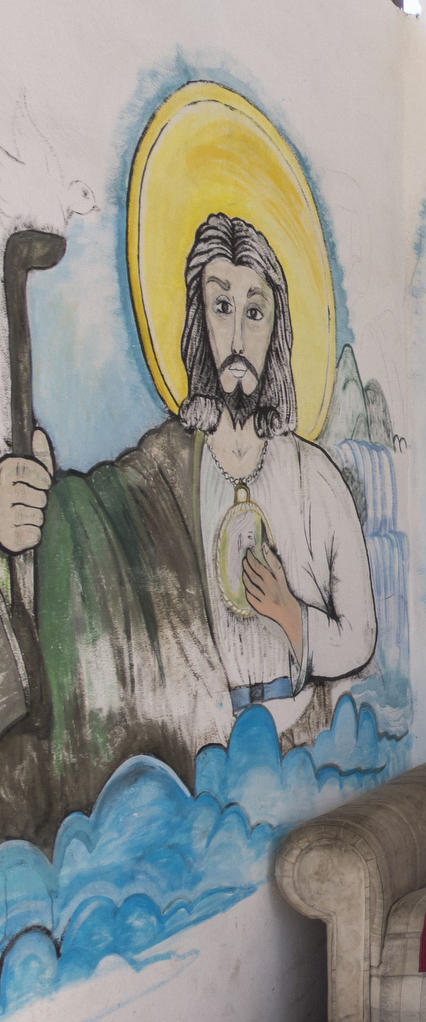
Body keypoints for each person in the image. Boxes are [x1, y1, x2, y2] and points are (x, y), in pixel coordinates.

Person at [0, 213, 376, 847]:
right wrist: (33, 515)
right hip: (196, 777)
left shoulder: (316, 478)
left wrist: (292, 617)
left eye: (254, 313)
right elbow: (89, 535)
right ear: (198, 324)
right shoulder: (163, 469)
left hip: (296, 763)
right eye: (220, 305)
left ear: (276, 331)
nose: (236, 332)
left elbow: (360, 636)